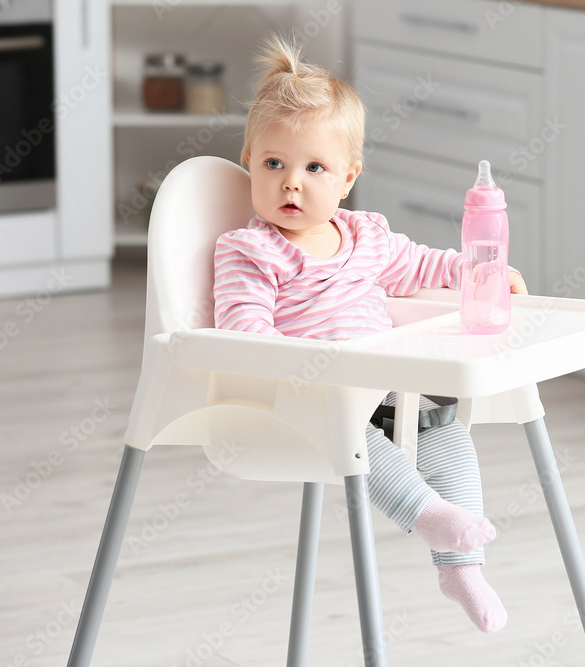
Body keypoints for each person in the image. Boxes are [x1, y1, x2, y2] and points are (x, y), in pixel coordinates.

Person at [212, 36, 527, 633]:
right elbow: (244, 330)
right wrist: (287, 360)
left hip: (389, 391)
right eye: (274, 164)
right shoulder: (250, 251)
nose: (291, 185)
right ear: (250, 158)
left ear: (348, 177)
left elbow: (425, 267)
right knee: (359, 439)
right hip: (313, 400)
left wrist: (481, 272)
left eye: (314, 168)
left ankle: (462, 566)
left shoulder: (366, 236)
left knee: (449, 438)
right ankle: (429, 515)